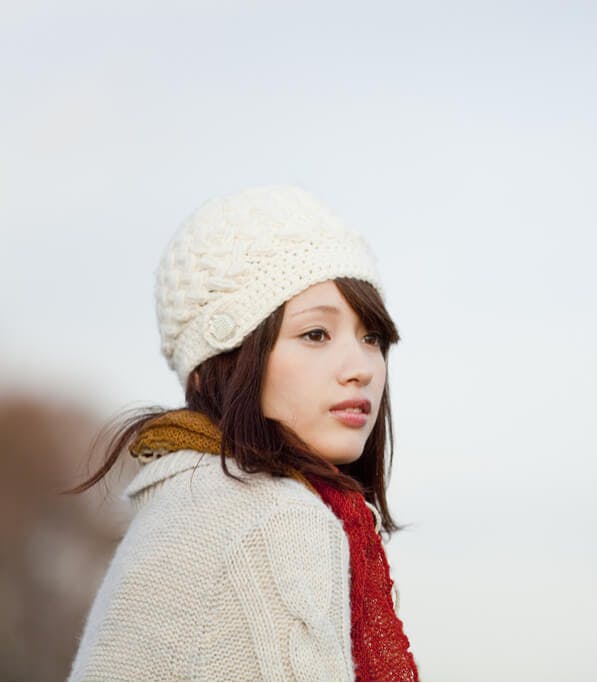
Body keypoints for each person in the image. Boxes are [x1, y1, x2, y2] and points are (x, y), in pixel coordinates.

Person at [63, 185, 419, 681]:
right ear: (228, 357)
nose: (361, 367)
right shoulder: (277, 519)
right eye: (315, 333)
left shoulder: (180, 495)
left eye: (372, 337)